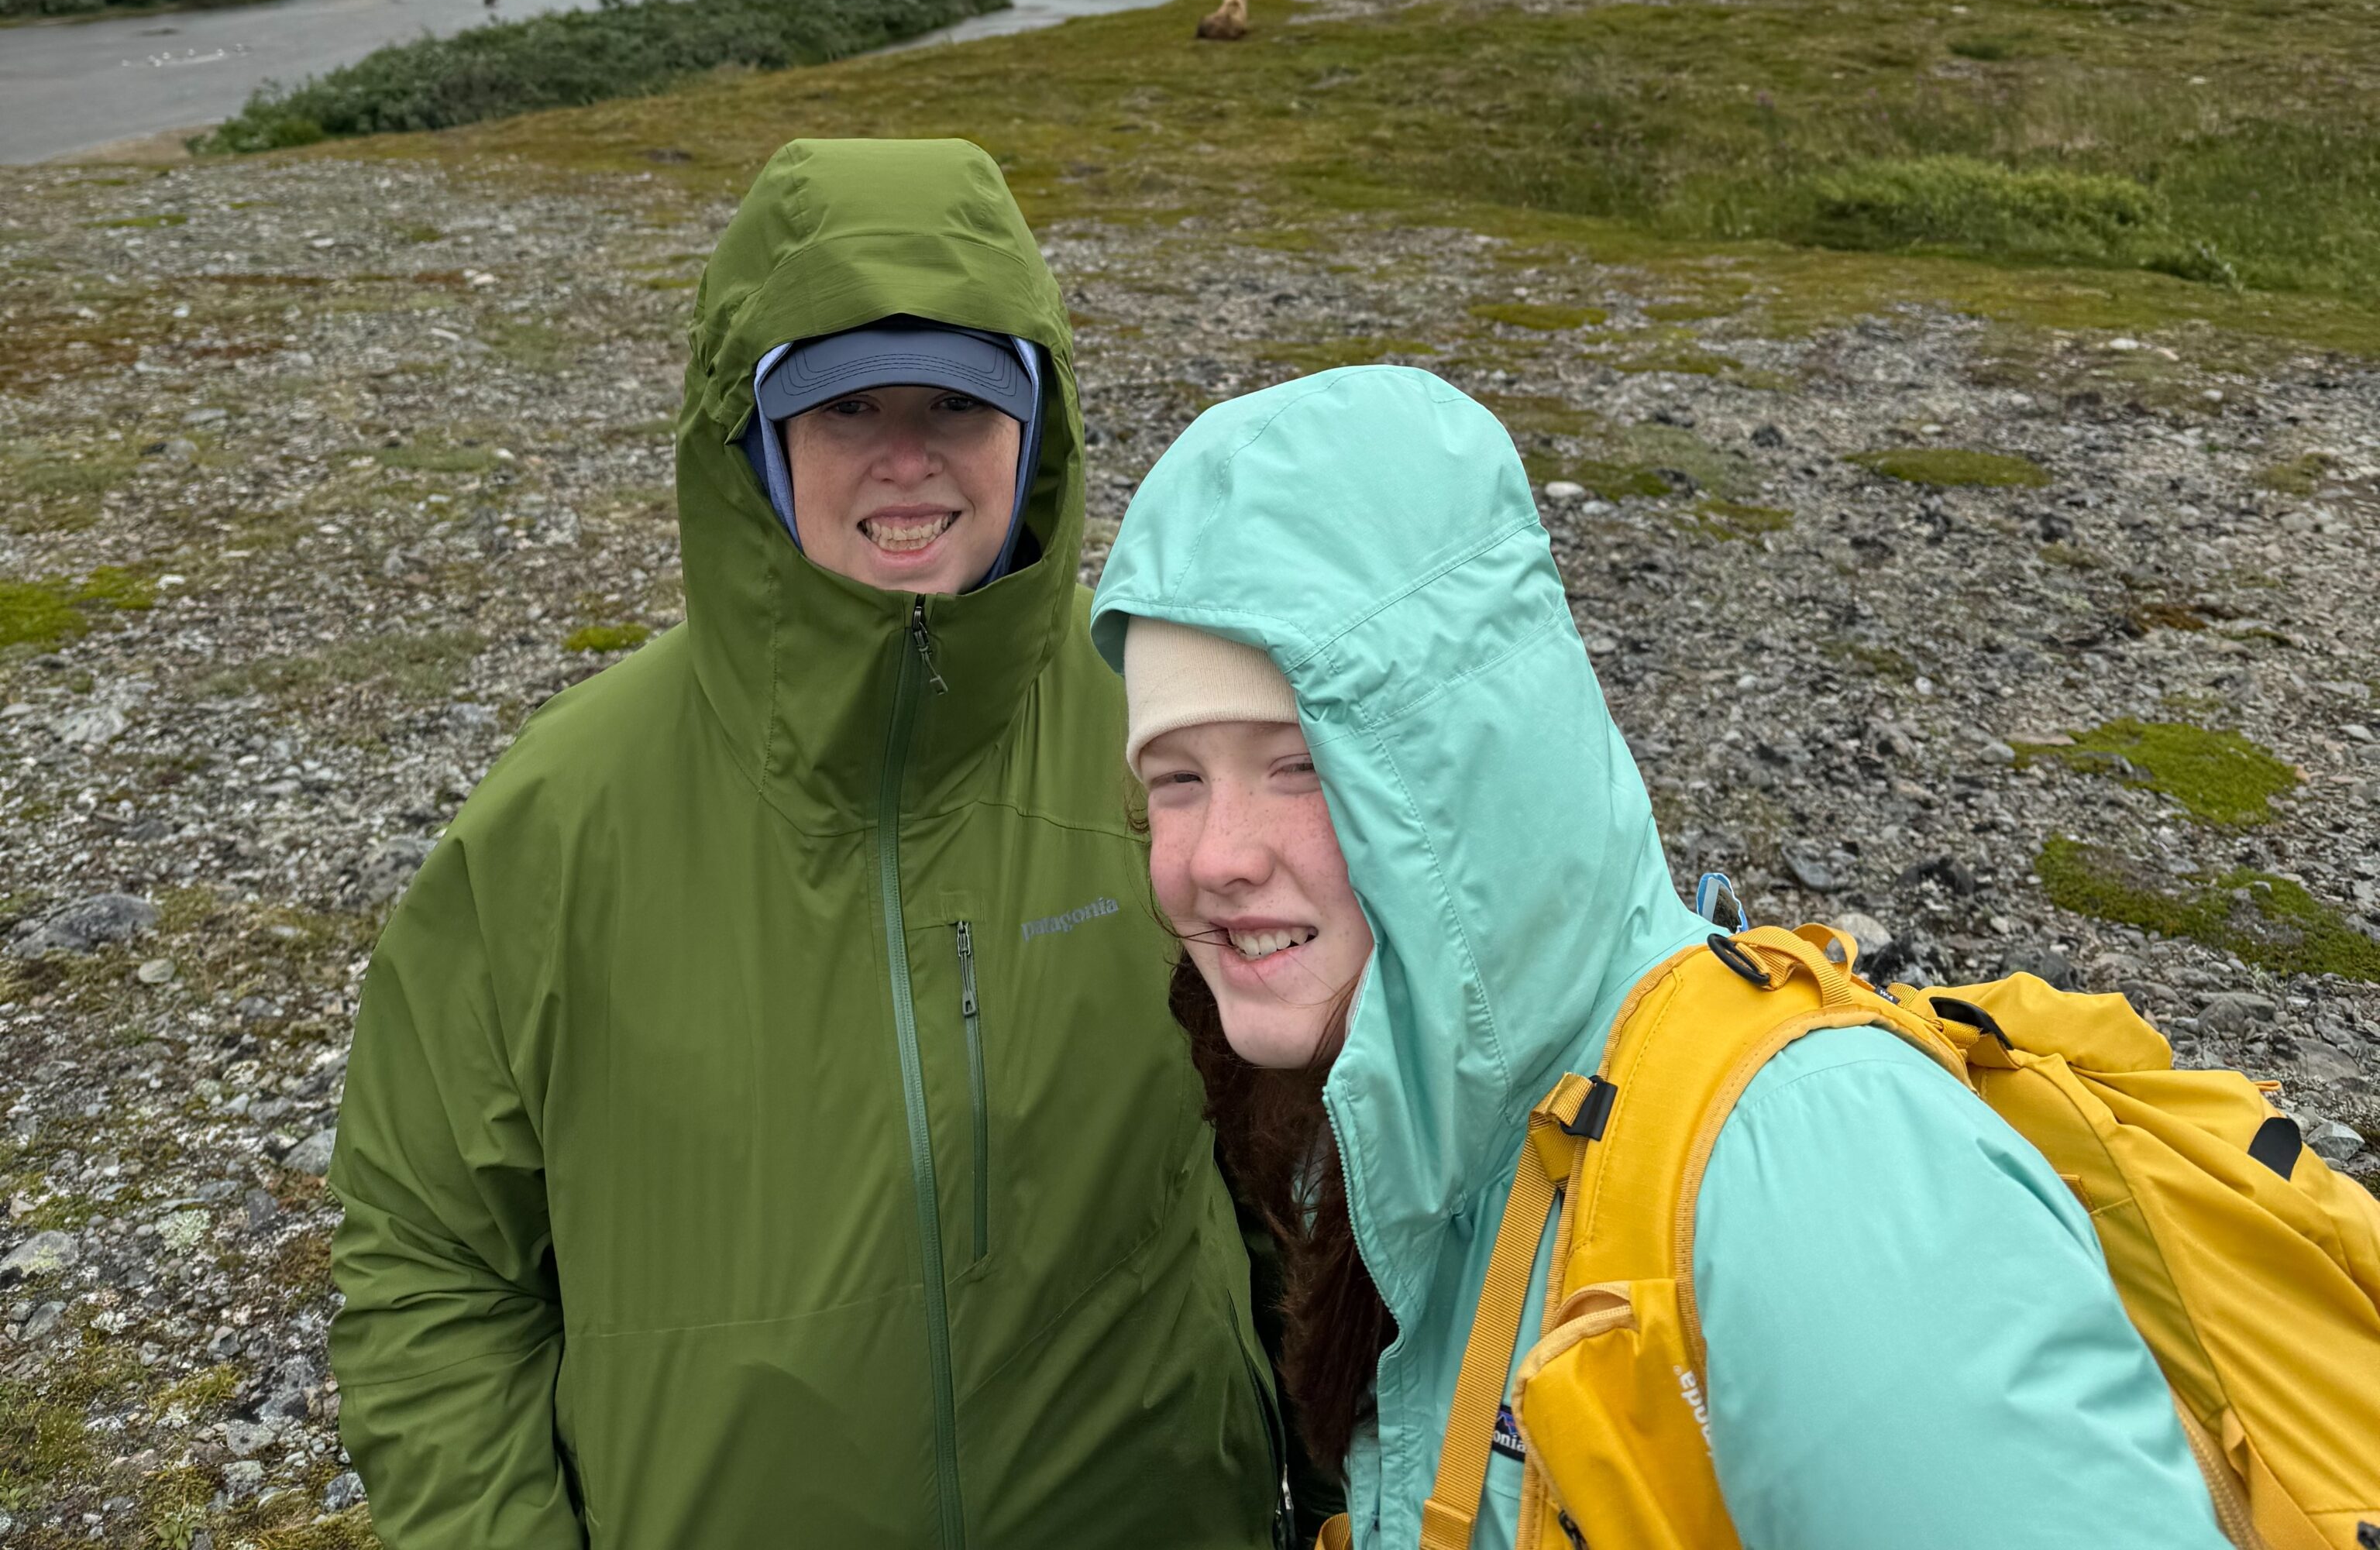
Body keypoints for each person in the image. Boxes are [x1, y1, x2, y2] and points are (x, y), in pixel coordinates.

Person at [330, 134, 1287, 1550]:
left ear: (1038, 429)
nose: (906, 457)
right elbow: (430, 1263)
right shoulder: (559, 818)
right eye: (846, 409)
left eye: (957, 403)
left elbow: (1308, 1175)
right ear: (752, 438)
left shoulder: (1162, 752)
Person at [1089, 363, 2230, 1550]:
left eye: (1303, 767)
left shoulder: (1816, 1165)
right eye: (1177, 779)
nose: (1216, 857)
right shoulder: (1396, 1120)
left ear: (1477, 768)